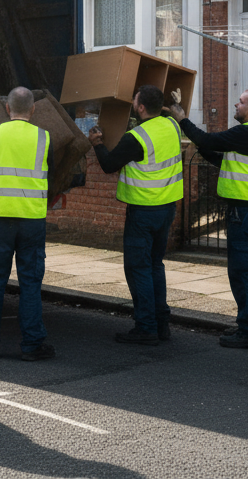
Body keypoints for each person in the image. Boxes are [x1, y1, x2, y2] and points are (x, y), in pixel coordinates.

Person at [168, 89, 248, 349]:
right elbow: (220, 157)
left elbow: (208, 138)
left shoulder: (247, 132)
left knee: (242, 272)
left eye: (240, 102)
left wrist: (182, 119)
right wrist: (202, 147)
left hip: (246, 211)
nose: (235, 104)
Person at [87, 84, 183, 346]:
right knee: (155, 265)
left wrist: (97, 144)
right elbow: (172, 116)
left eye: (134, 103)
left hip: (143, 212)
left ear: (141, 107)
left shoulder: (137, 137)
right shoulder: (173, 126)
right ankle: (162, 324)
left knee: (138, 268)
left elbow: (109, 165)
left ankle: (146, 327)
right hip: (167, 208)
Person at [0, 87, 56, 362]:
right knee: (30, 283)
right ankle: (31, 345)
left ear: (6, 107)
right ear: (33, 109)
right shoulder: (44, 137)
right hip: (31, 218)